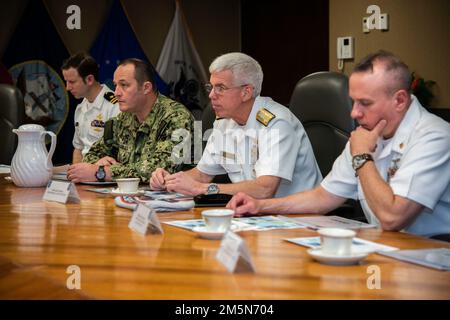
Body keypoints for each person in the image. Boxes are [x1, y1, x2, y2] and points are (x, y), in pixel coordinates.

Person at [228, 50, 450, 237]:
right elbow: (323, 197)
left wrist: (362, 156)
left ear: (400, 100)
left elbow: (393, 218)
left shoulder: (433, 136)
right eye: (354, 102)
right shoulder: (368, 133)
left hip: (431, 258)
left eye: (365, 103)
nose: (354, 113)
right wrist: (259, 206)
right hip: (385, 247)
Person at [150, 52, 322, 198]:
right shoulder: (223, 123)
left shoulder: (276, 123)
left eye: (221, 88)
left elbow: (265, 189)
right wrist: (169, 180)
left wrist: (202, 190)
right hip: (255, 214)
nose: (211, 95)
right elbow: (202, 174)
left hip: (299, 217)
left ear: (246, 92)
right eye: (211, 86)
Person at [67, 58, 194, 183]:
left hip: (178, 199)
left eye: (124, 85)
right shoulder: (123, 118)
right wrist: (98, 163)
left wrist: (102, 172)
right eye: (116, 85)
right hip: (134, 196)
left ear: (146, 88)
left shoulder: (179, 117)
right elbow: (92, 154)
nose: (116, 93)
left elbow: (161, 170)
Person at [62, 53, 120, 163]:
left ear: (89, 79)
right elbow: (78, 148)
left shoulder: (114, 106)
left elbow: (119, 153)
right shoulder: (80, 108)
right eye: (66, 81)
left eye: (72, 82)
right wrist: (77, 174)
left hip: (103, 173)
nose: (67, 87)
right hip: (83, 174)